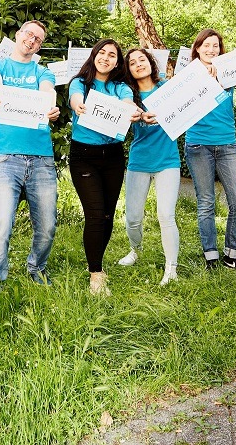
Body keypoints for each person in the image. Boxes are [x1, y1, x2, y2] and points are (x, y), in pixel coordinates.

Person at [0, 20, 61, 293]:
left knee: (48, 225)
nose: (32, 40)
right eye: (29, 34)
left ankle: (36, 268)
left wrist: (50, 107)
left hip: (41, 158)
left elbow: (47, 91)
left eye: (38, 39)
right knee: (1, 223)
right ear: (18, 35)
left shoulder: (43, 72)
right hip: (6, 159)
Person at [184, 29, 236, 270]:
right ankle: (210, 255)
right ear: (197, 48)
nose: (211, 50)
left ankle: (232, 253)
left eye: (215, 46)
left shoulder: (226, 71)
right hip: (198, 145)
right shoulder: (189, 74)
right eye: (206, 45)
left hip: (228, 144)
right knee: (206, 202)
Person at [68, 39, 139, 296]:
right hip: (83, 155)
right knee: (96, 214)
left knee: (107, 215)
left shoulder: (120, 87)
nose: (106, 58)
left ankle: (98, 258)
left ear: (117, 62)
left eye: (112, 55)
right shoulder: (80, 83)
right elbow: (75, 99)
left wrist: (134, 111)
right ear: (94, 55)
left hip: (112, 156)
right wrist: (78, 105)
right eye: (102, 53)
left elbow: (129, 103)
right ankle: (95, 273)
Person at [119, 47, 181, 285]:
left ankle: (171, 268)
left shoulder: (167, 88)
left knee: (166, 215)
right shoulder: (127, 94)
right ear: (129, 70)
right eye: (132, 63)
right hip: (139, 161)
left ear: (150, 62)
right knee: (133, 218)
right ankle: (136, 250)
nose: (138, 64)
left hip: (167, 161)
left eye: (141, 60)